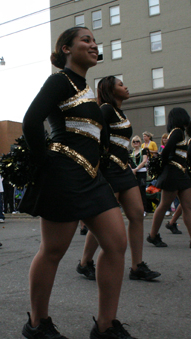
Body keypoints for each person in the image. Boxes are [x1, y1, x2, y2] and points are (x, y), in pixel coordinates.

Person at [19, 27, 135, 339]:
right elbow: (31, 121)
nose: (94, 45)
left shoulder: (87, 91)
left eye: (96, 41)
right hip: (64, 175)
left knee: (116, 244)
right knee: (53, 250)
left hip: (92, 179)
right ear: (66, 48)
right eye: (86, 40)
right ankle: (37, 324)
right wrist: (45, 162)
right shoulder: (60, 81)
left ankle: (105, 326)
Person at [76, 76, 160, 283]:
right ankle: (85, 262)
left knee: (137, 215)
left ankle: (137, 266)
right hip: (109, 170)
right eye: (121, 85)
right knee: (102, 222)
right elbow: (96, 137)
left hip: (124, 170)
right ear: (110, 90)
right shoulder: (104, 109)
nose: (126, 86)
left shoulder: (119, 112)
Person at [147, 107, 191, 249]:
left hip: (181, 174)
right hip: (173, 173)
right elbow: (166, 151)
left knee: (187, 206)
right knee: (164, 205)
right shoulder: (177, 132)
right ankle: (152, 235)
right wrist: (164, 167)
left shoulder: (178, 132)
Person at [129, 135, 149, 214]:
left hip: (141, 172)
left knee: (142, 190)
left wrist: (136, 169)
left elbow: (144, 161)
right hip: (133, 173)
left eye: (137, 141)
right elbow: (129, 162)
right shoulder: (131, 152)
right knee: (134, 191)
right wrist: (132, 170)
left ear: (140, 142)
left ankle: (144, 209)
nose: (136, 143)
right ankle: (137, 209)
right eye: (134, 141)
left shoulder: (143, 150)